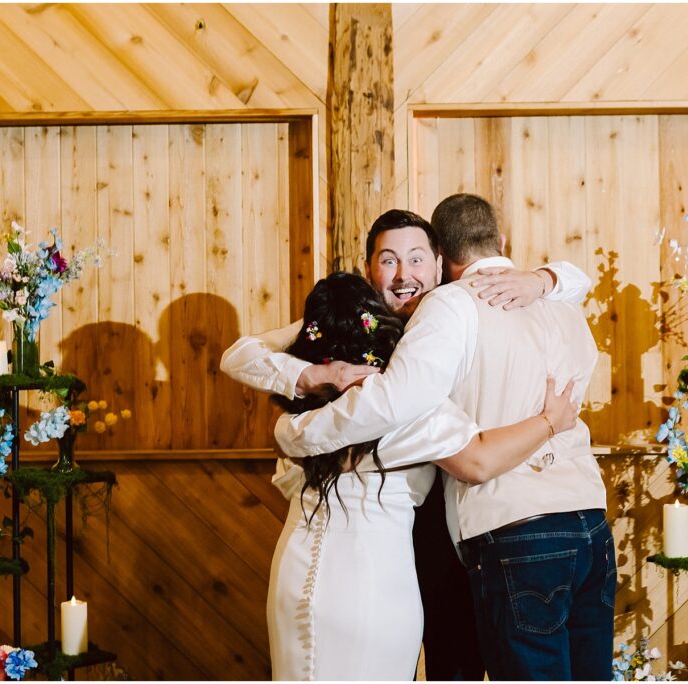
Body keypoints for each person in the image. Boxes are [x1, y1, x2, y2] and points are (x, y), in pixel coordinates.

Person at [221, 209, 592, 680]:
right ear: (369, 269)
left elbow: (577, 282)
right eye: (388, 261)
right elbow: (239, 355)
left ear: (440, 264)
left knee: (453, 658)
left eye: (416, 259)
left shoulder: (466, 305)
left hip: (458, 520)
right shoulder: (347, 328)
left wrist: (543, 278)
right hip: (374, 531)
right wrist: (312, 374)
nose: (403, 275)